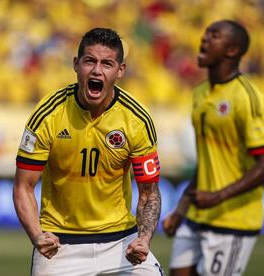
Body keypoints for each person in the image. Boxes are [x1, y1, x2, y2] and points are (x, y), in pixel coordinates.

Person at [13, 27, 164, 276]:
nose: (96, 70)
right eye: (89, 61)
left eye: (107, 63)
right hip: (60, 245)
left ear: (120, 71)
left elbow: (149, 192)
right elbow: (23, 187)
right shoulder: (48, 114)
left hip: (121, 243)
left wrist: (144, 239)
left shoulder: (136, 119)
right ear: (76, 65)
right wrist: (37, 235)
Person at [162, 20, 264, 276]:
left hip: (232, 218)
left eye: (214, 36)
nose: (204, 39)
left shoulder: (246, 96)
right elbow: (207, 160)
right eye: (204, 33)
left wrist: (217, 196)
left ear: (232, 50)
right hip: (197, 212)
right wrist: (181, 208)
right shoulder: (199, 93)